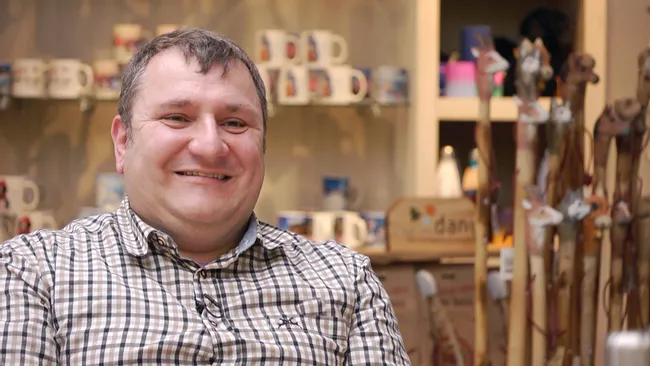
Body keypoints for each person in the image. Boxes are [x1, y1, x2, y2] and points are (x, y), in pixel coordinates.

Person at [0, 28, 410, 365]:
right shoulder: (34, 274)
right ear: (123, 142)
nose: (210, 146)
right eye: (177, 117)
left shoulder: (347, 281)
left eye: (235, 123)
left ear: (263, 145)